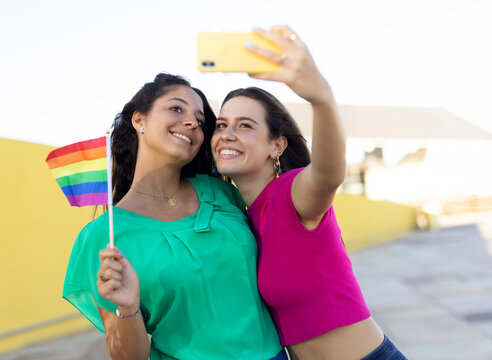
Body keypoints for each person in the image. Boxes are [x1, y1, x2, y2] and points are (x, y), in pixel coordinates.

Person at [211, 26, 407, 360]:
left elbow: (329, 174)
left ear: (277, 144)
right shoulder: (241, 218)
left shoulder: (291, 193)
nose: (227, 134)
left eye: (244, 125)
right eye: (221, 124)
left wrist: (321, 97)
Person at [62, 73, 285, 360]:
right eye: (176, 109)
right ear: (139, 120)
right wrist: (129, 309)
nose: (192, 122)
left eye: (200, 120)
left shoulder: (221, 192)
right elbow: (128, 356)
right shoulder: (105, 236)